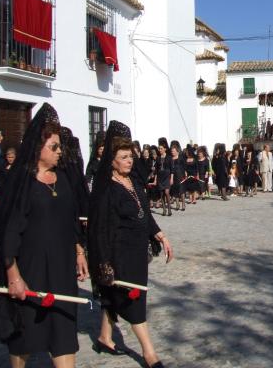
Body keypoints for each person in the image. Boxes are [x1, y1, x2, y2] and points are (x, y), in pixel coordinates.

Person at [0, 104, 88, 368]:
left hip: (61, 270)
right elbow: (8, 233)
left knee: (63, 335)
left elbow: (71, 219)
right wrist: (13, 275)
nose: (60, 153)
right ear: (38, 147)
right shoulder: (21, 182)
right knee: (25, 338)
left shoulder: (63, 179)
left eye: (60, 148)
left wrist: (79, 251)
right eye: (54, 147)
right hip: (30, 270)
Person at [88, 122, 173, 368]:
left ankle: (104, 336)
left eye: (130, 156)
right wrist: (103, 263)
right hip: (119, 254)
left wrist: (160, 236)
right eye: (123, 157)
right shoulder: (106, 190)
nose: (129, 161)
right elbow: (100, 231)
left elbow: (143, 213)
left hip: (138, 254)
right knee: (134, 300)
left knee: (115, 296)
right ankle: (149, 354)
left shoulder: (133, 183)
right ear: (111, 161)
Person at [155, 145, 171, 216]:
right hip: (160, 177)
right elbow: (156, 169)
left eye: (161, 148)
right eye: (159, 149)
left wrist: (172, 178)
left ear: (165, 149)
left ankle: (169, 209)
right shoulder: (158, 158)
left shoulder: (169, 157)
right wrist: (155, 179)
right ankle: (164, 210)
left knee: (167, 192)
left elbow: (172, 169)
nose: (160, 150)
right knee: (161, 194)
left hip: (167, 177)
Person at [168, 146, 185, 212]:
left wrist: (184, 174)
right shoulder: (170, 159)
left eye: (173, 151)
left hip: (180, 176)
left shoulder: (181, 158)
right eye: (172, 151)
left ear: (177, 151)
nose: (172, 152)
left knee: (182, 190)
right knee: (175, 190)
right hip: (173, 176)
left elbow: (184, 167)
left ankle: (183, 204)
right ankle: (177, 204)